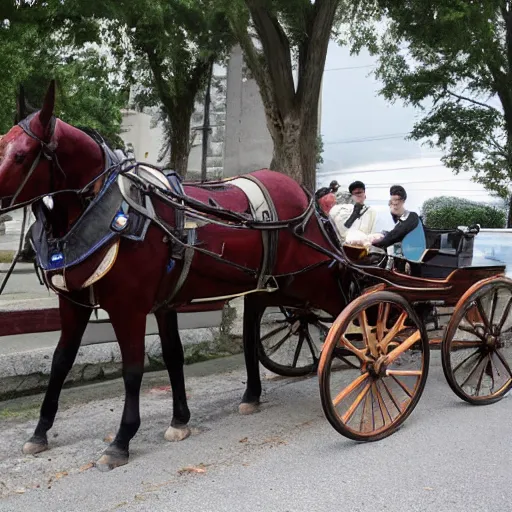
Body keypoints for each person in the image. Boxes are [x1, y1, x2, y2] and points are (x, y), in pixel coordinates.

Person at [372, 185, 420, 252]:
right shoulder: (398, 221)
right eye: (391, 202)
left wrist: (375, 243)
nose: (393, 206)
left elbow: (396, 234)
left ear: (403, 201)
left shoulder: (412, 216)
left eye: (396, 203)